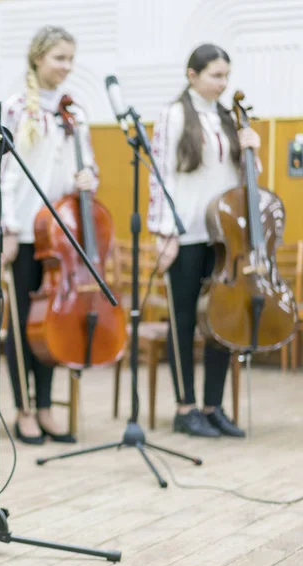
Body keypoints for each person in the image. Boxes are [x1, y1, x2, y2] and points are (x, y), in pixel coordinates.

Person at [0, 26, 99, 444]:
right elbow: (0, 174)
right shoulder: (16, 108)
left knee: (53, 324)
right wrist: (6, 229)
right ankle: (24, 410)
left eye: (70, 58)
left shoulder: (76, 112)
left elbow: (85, 166)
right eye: (59, 58)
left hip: (61, 236)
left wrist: (90, 177)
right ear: (38, 59)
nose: (66, 67)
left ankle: (48, 407)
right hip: (25, 231)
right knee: (20, 326)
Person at [148, 44, 261, 438]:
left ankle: (213, 407)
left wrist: (253, 151)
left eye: (226, 75)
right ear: (192, 75)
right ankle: (185, 407)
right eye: (215, 75)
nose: (223, 83)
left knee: (222, 320)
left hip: (225, 238)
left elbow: (245, 176)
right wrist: (165, 232)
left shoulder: (231, 118)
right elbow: (159, 175)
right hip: (186, 234)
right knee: (182, 320)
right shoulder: (173, 114)